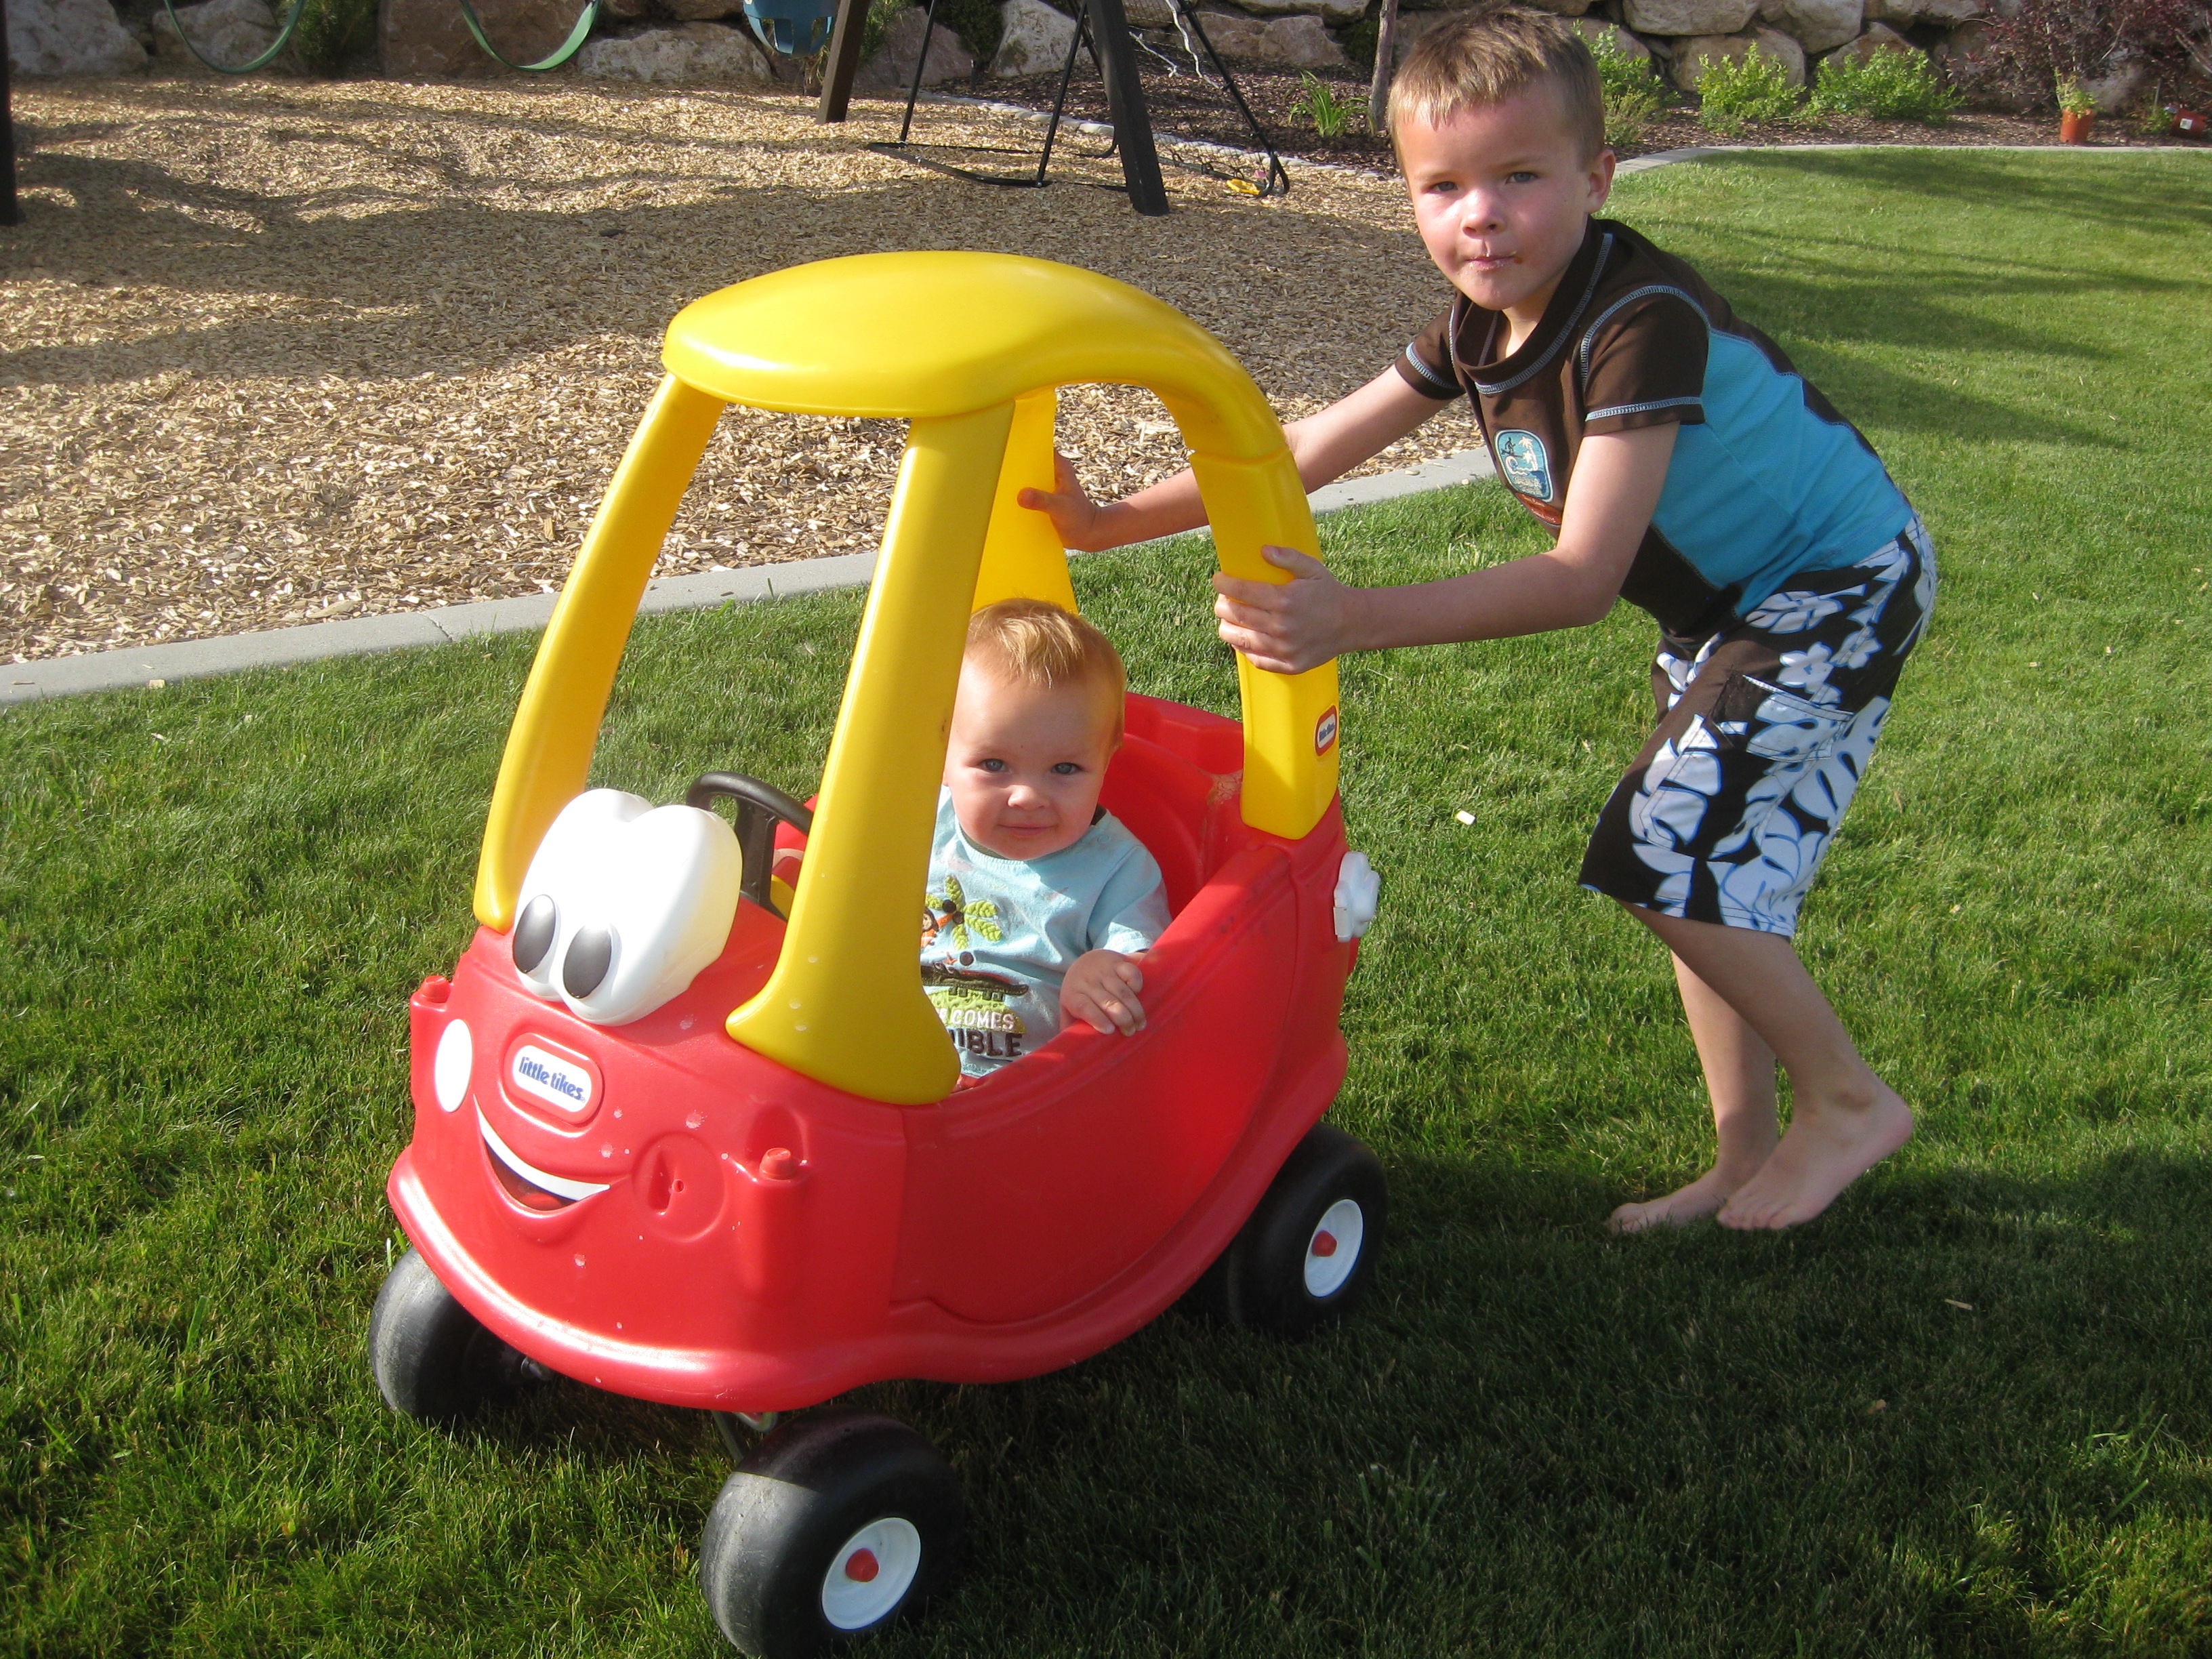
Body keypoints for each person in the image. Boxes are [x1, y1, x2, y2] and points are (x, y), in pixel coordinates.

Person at [1017, 7, 1934, 1228]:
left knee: (1667, 857)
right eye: (1440, 186)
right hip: (1726, 609)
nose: (1478, 215)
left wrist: (1349, 617)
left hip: (1829, 588)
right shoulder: (1473, 329)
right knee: (1697, 873)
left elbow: (1577, 577)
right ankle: (1741, 1153)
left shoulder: (1632, 320)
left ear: (1594, 178)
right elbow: (1299, 451)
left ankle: (1846, 1100)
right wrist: (1105, 518)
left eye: (1516, 177)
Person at [924, 598, 1173, 1079]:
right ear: (942, 754)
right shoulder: (917, 824)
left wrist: (1103, 969)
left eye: (1065, 769)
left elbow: (1143, 969)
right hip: (892, 1067)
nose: (1027, 797)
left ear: (1106, 760)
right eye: (994, 765)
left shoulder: (1117, 868)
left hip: (1034, 1093)